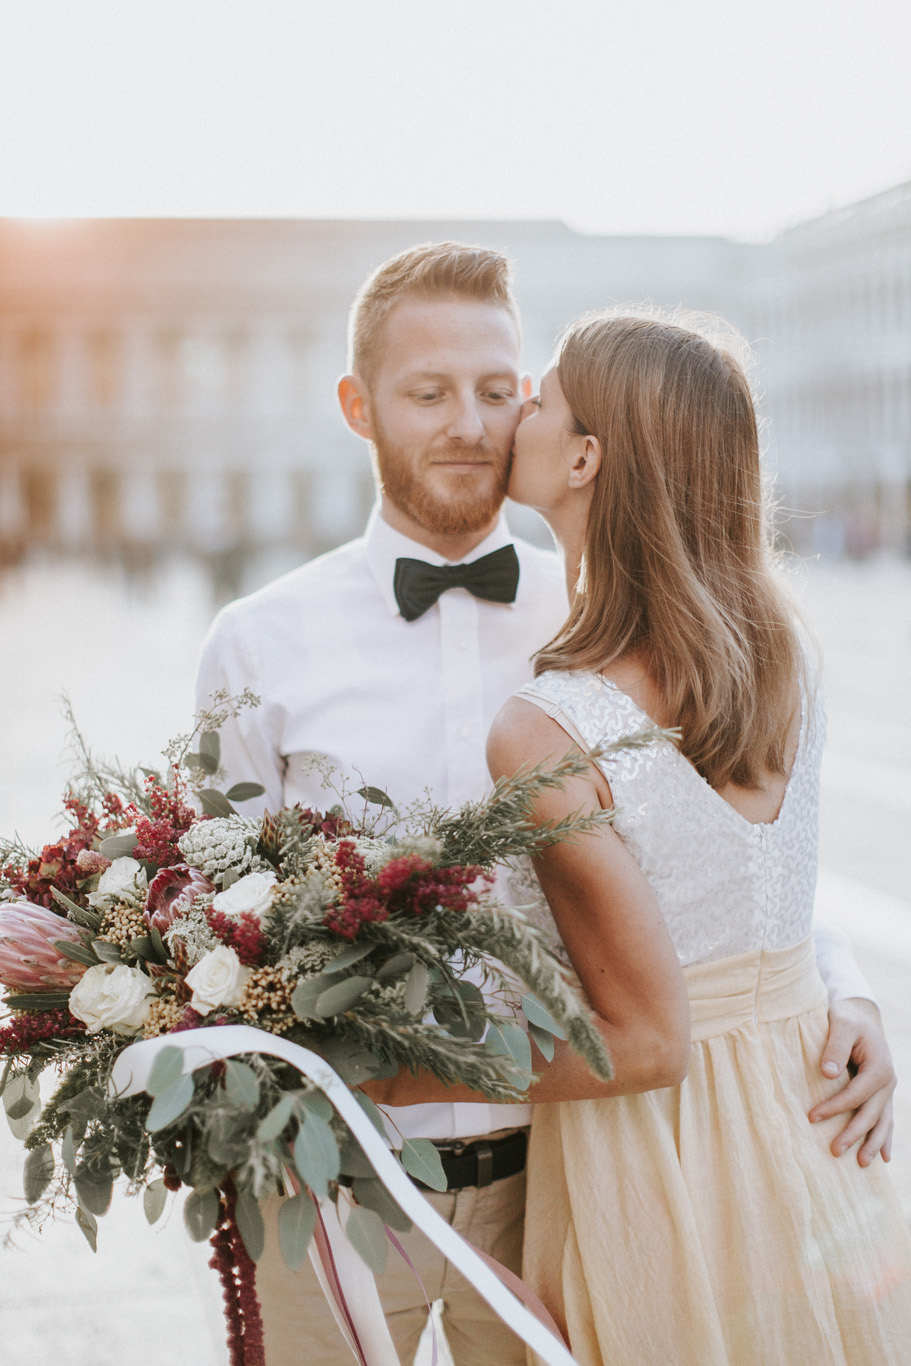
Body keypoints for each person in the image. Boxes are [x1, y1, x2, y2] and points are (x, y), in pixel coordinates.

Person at [195, 245, 895, 1366]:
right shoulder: (254, 642)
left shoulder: (613, 633)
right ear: (357, 405)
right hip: (337, 1177)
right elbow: (214, 910)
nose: (469, 423)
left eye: (499, 390)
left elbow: (706, 867)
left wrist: (842, 991)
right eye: (428, 393)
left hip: (560, 1174)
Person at [490, 308, 911, 1363]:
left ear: (584, 456)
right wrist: (845, 987)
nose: (513, 410)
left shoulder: (545, 728)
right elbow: (751, 899)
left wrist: (387, 1070)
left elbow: (639, 1037)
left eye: (534, 395)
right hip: (808, 1121)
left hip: (654, 1153)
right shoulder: (784, 661)